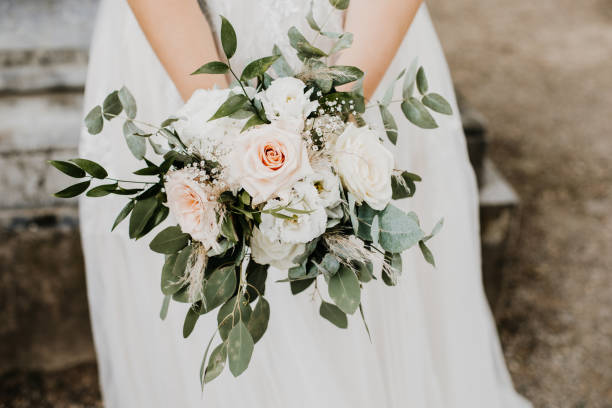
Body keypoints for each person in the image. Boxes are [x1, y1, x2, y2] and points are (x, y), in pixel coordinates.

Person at [79, 0, 531, 406]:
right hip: (182, 48)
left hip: (363, 41)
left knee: (359, 281)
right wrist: (220, 137)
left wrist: (332, 127)